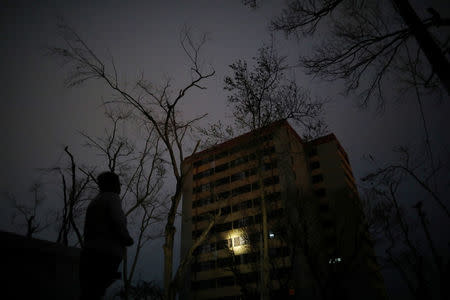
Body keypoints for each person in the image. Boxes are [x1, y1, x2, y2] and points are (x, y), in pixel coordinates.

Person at [79, 172, 134, 299]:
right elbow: (118, 221)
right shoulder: (112, 198)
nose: (120, 186)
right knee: (98, 291)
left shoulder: (95, 201)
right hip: (105, 254)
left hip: (89, 253)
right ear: (112, 184)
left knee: (89, 292)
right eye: (118, 183)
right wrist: (127, 239)